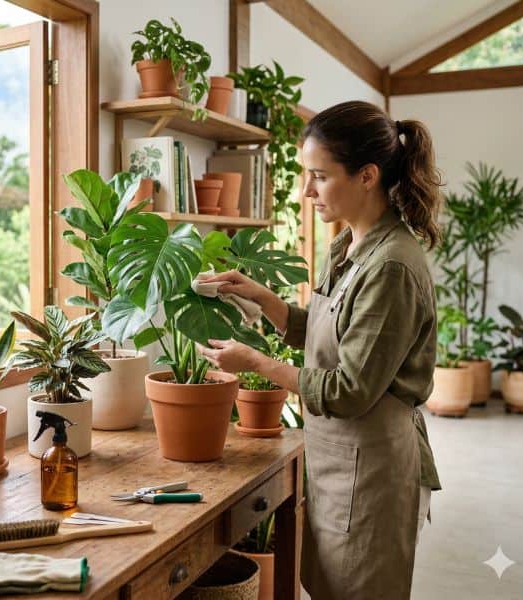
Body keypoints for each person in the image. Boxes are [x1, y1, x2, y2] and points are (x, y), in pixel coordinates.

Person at [197, 100, 442, 600]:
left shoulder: (392, 266)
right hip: (339, 460)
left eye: (319, 176)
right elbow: (330, 335)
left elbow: (350, 388)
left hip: (373, 469)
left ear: (368, 175)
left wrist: (257, 364)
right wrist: (261, 296)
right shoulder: (350, 245)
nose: (306, 190)